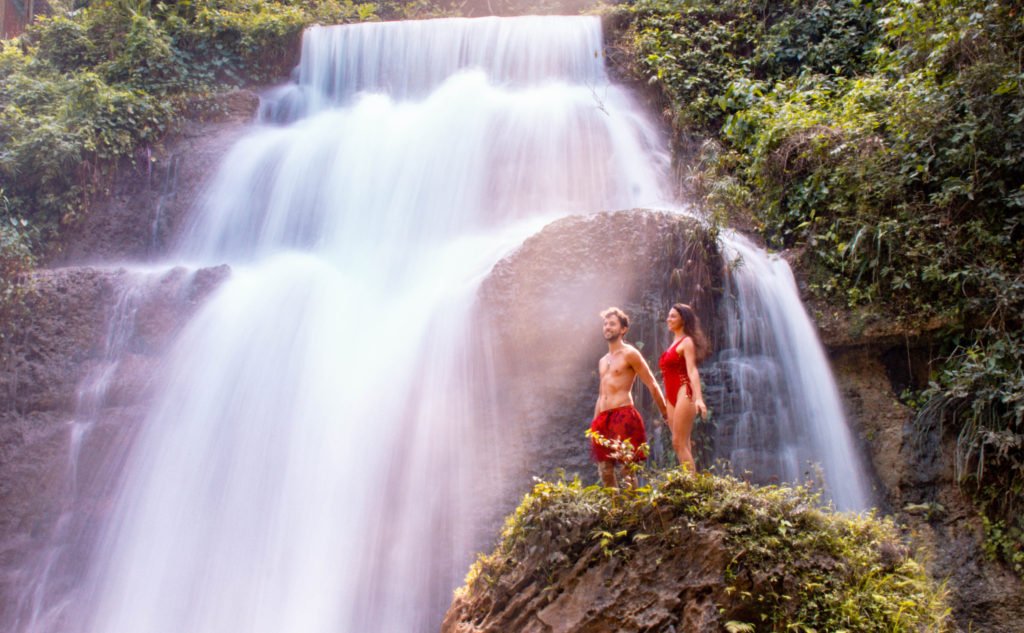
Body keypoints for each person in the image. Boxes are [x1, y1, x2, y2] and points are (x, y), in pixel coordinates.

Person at [590, 307, 669, 489]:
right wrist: (595, 424)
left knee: (627, 469)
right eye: (605, 324)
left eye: (612, 324)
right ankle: (616, 514)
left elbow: (651, 383)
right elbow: (601, 394)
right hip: (603, 418)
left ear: (623, 329)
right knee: (605, 470)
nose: (607, 327)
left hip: (623, 413)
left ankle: (633, 513)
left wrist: (665, 412)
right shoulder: (603, 361)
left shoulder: (630, 354)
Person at [659, 303, 709, 473]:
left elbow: (692, 370)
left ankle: (692, 487)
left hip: (684, 391)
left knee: (678, 442)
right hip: (670, 395)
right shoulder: (673, 342)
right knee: (682, 443)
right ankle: (690, 484)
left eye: (673, 316)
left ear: (683, 319)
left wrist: (699, 399)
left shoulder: (687, 341)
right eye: (668, 315)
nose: (668, 319)